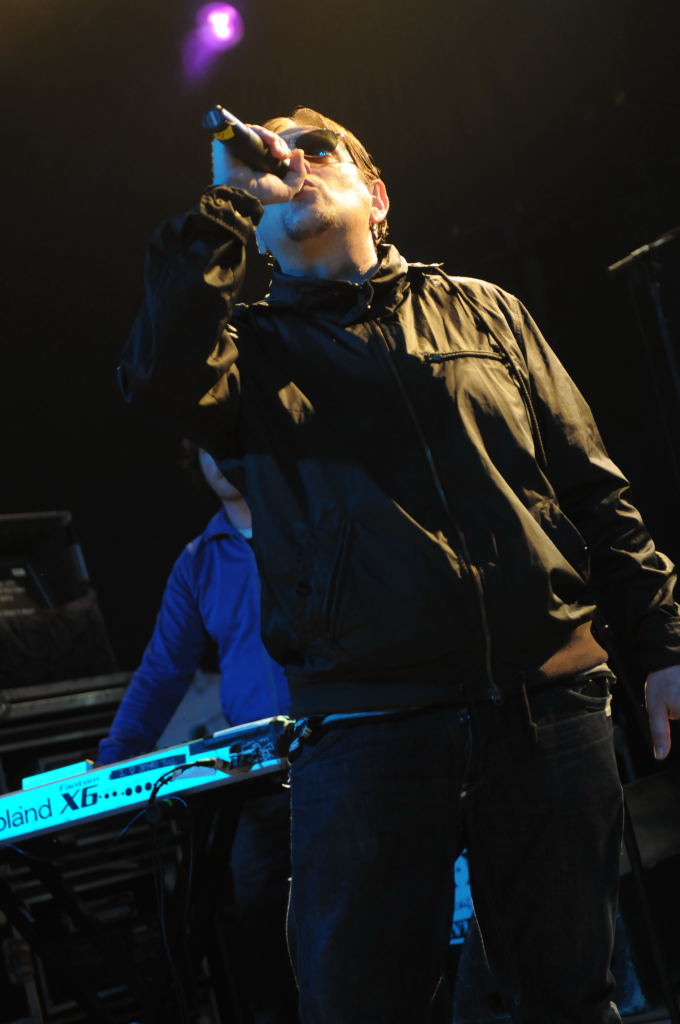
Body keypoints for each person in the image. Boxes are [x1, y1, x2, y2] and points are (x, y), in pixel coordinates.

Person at [118, 106, 680, 1023]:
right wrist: (228, 202)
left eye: (318, 149)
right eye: (278, 159)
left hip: (545, 708)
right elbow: (157, 374)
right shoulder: (249, 353)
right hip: (367, 733)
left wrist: (661, 643)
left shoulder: (488, 310)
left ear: (377, 197)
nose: (294, 161)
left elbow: (592, 489)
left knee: (570, 1000)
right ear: (257, 231)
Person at [98, 448, 298, 1024]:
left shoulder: (311, 518)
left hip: (342, 752)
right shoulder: (199, 558)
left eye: (227, 438)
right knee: (264, 929)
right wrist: (113, 762)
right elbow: (163, 670)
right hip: (259, 778)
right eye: (205, 446)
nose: (219, 456)